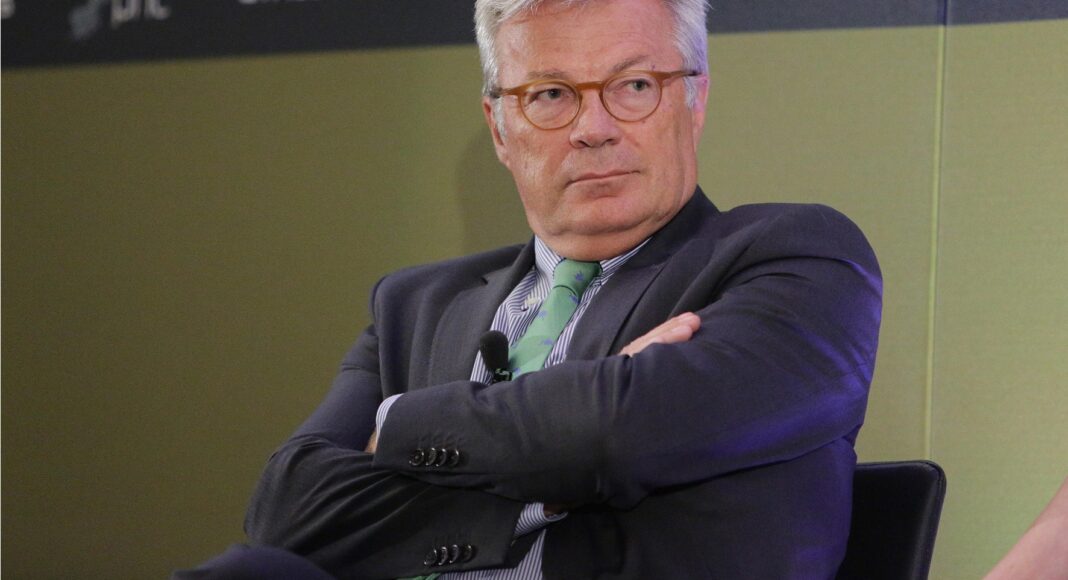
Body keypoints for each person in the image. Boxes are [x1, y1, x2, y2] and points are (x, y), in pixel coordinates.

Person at [176, 0, 882, 578]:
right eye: (550, 94)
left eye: (634, 86)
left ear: (694, 99)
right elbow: (289, 509)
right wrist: (569, 445)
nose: (594, 129)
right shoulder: (414, 308)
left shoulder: (792, 259)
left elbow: (614, 434)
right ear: (499, 128)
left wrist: (395, 426)